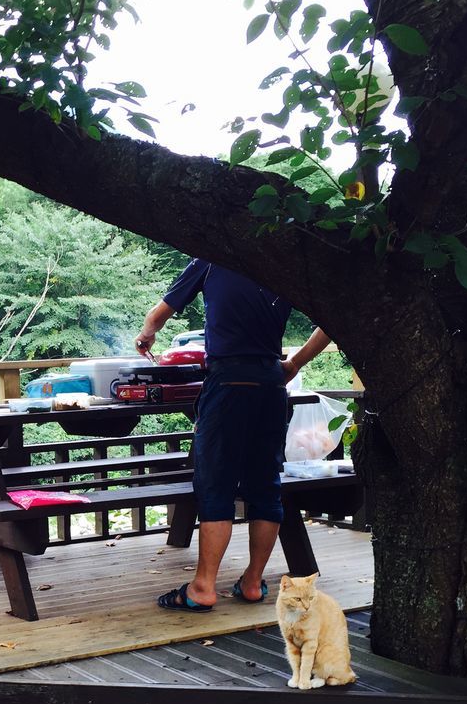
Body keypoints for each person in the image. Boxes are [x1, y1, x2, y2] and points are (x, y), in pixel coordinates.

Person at [134, 258, 331, 611]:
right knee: (265, 483)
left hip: (227, 381)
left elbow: (157, 316)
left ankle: (203, 588)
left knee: (216, 484)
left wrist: (147, 333)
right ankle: (253, 583)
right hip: (271, 385)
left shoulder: (211, 259)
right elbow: (334, 323)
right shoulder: (282, 265)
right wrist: (295, 363)